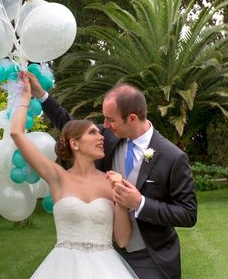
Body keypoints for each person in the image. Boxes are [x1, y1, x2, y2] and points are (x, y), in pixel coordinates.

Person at [29, 76, 197, 279]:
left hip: (149, 256)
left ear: (132, 119)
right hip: (105, 255)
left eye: (110, 119)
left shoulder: (172, 157)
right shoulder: (106, 138)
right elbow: (70, 125)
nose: (104, 125)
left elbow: (188, 213)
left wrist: (140, 203)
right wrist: (41, 95)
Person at [11, 72, 139, 279]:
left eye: (99, 133)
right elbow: (17, 133)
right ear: (74, 143)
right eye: (92, 133)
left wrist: (122, 200)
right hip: (62, 268)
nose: (101, 137)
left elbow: (122, 240)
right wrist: (25, 96)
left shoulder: (112, 182)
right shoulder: (56, 176)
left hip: (107, 269)